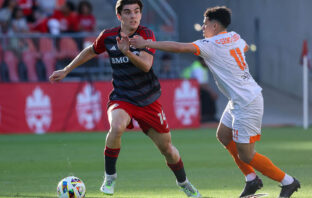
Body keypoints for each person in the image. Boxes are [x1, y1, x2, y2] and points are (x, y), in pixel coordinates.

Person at [130, 6, 300, 198]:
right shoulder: (235, 37)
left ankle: (288, 181)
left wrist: (146, 43)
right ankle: (252, 180)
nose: (203, 27)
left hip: (247, 102)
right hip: (239, 99)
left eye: (205, 24)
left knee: (247, 154)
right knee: (223, 136)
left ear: (215, 24)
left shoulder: (210, 44)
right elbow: (242, 47)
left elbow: (179, 47)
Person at [49, 0, 201, 197]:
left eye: (137, 12)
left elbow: (146, 66)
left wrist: (126, 52)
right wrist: (67, 69)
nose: (133, 16)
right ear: (120, 16)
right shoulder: (108, 36)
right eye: (128, 12)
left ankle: (184, 183)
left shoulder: (145, 35)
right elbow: (91, 50)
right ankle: (110, 176)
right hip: (122, 97)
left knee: (168, 150)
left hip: (148, 100)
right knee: (117, 126)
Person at [182, 57, 218, 123]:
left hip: (194, 88)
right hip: (189, 89)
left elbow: (204, 83)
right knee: (206, 95)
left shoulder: (203, 67)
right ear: (202, 61)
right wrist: (212, 92)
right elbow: (201, 84)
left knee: (209, 95)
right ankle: (205, 117)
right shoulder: (197, 68)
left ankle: (211, 116)